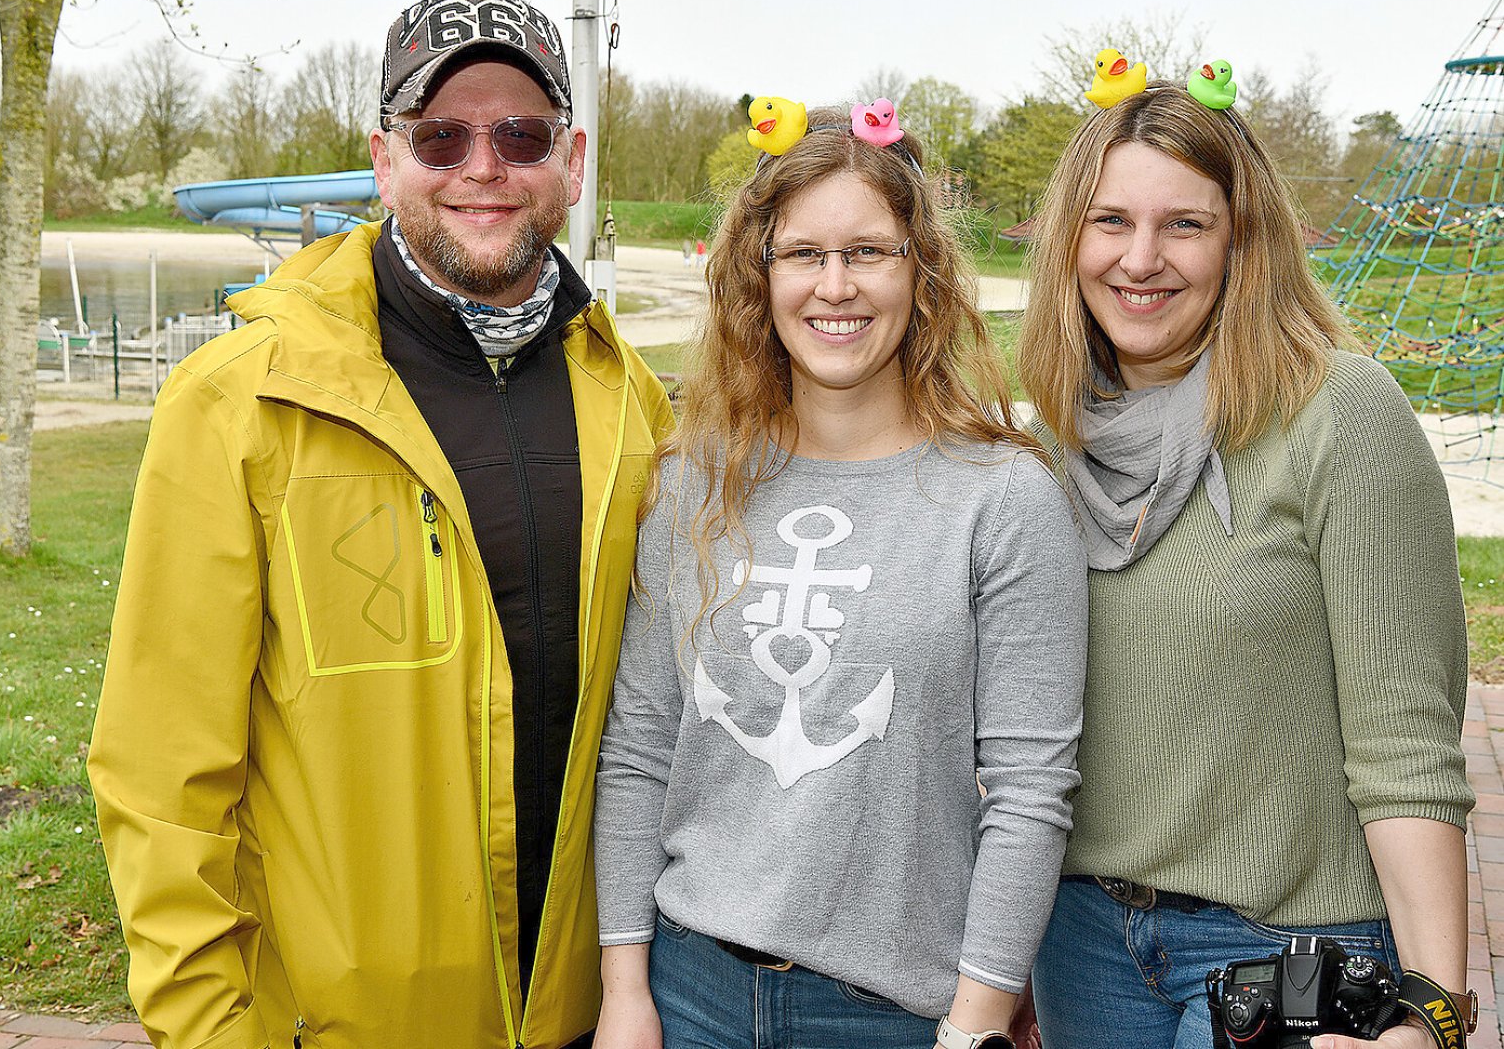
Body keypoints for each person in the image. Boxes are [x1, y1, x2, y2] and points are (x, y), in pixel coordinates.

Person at [87, 0, 674, 1049]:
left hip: (587, 1020)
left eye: (522, 134)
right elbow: (161, 770)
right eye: (440, 136)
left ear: (572, 162)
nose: (483, 167)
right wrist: (207, 1030)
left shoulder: (629, 399)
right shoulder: (240, 403)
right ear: (382, 157)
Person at [590, 108, 1087, 1049]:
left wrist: (977, 1021)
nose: (835, 286)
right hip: (688, 988)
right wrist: (626, 988)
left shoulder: (1004, 498)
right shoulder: (693, 479)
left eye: (869, 251)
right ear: (758, 276)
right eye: (803, 255)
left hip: (894, 1014)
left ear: (921, 269)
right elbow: (641, 749)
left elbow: (1029, 788)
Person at [1016, 81, 1474, 1049]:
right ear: (1069, 240)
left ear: (1240, 240)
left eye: (1183, 224)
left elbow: (1405, 748)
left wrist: (1433, 1012)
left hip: (1285, 948)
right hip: (1081, 941)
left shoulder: (1336, 414)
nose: (1140, 259)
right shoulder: (1047, 444)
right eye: (1110, 222)